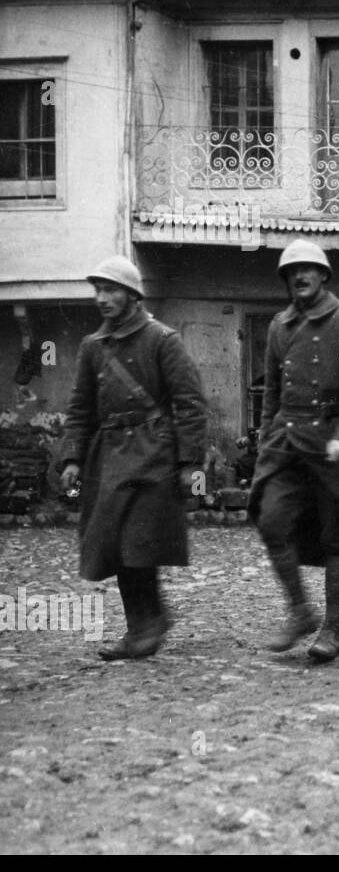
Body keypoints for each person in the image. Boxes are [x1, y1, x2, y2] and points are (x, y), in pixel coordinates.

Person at [249, 240, 339, 662]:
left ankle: (332, 628)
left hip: (336, 449)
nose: (300, 276)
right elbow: (271, 391)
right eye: (292, 271)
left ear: (324, 274)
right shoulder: (279, 327)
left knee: (336, 538)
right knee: (271, 520)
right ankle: (299, 610)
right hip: (289, 444)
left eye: (308, 269)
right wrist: (265, 437)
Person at [58, 255, 207, 660]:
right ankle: (144, 624)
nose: (101, 299)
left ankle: (147, 624)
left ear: (132, 295)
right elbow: (80, 408)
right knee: (114, 544)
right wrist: (71, 458)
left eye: (110, 290)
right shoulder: (93, 347)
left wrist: (190, 464)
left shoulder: (163, 340)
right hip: (107, 457)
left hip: (152, 450)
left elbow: (190, 404)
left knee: (138, 542)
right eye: (98, 291)